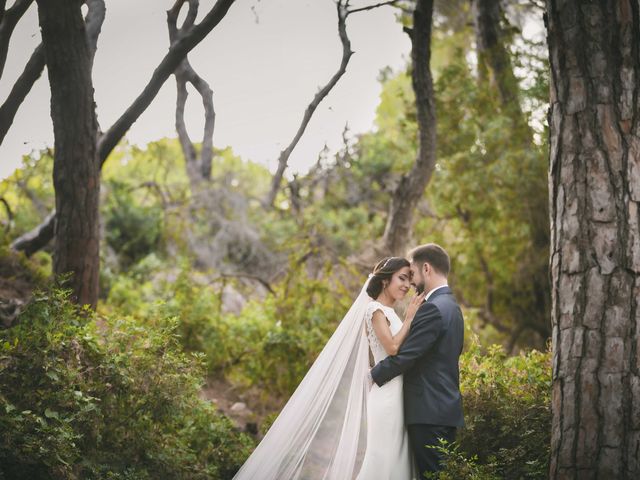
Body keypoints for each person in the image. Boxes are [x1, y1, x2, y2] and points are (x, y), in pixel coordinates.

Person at [232, 257, 423, 480]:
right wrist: (410, 318)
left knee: (396, 459)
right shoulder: (374, 309)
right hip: (386, 396)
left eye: (409, 282)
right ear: (384, 280)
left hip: (397, 392)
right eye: (401, 278)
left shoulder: (390, 312)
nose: (406, 285)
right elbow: (391, 348)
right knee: (383, 459)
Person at [371, 243, 465, 476]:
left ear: (426, 269)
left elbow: (406, 357)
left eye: (412, 274)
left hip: (428, 412)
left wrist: (371, 376)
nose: (411, 282)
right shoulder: (452, 306)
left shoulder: (432, 308)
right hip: (443, 408)